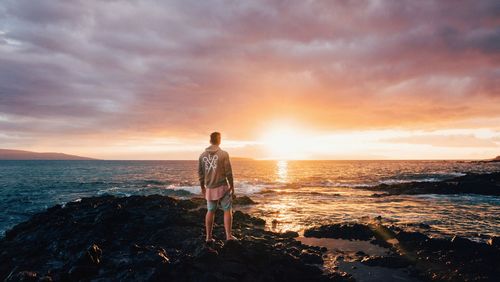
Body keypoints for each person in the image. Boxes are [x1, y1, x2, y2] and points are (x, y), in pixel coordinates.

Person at [198, 132, 236, 243]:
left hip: (209, 188)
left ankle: (208, 237)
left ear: (210, 140)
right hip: (223, 187)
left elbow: (200, 174)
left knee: (210, 211)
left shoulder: (202, 156)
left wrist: (203, 188)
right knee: (227, 210)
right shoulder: (224, 154)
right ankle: (229, 236)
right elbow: (228, 172)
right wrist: (232, 185)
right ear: (219, 140)